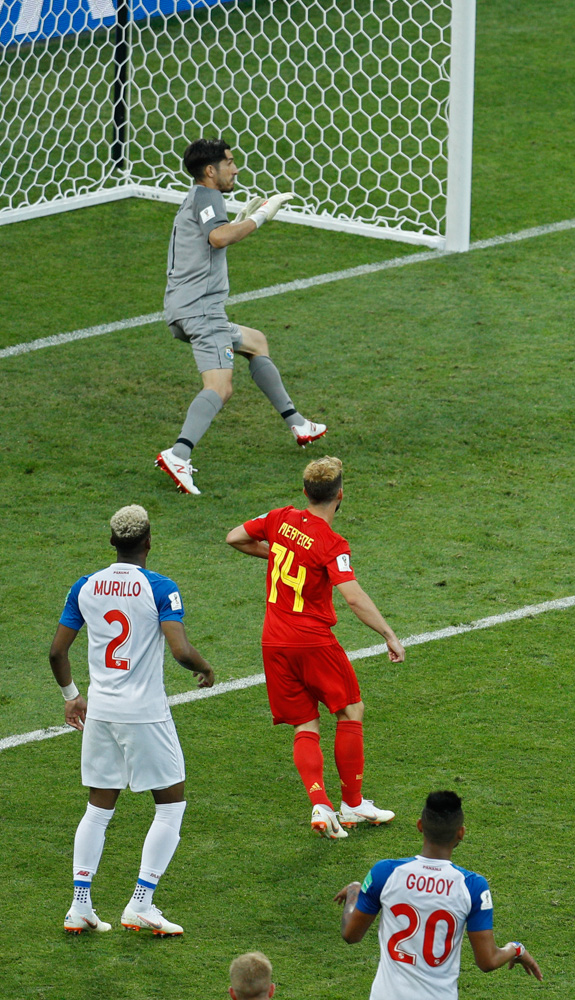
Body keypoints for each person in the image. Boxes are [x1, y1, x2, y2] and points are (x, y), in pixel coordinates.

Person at [49, 505, 215, 936]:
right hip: (144, 715)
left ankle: (79, 906)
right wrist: (205, 667)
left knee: (98, 809)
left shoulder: (84, 587)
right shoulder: (160, 587)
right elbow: (179, 650)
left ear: (112, 542)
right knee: (171, 805)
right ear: (148, 542)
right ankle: (141, 902)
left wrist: (71, 697)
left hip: (100, 712)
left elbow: (57, 652)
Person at [226, 456, 404, 839]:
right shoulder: (331, 543)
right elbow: (353, 598)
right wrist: (388, 633)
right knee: (350, 709)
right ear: (340, 495)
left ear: (306, 492)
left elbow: (235, 536)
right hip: (312, 641)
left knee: (305, 723)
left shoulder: (279, 517)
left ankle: (320, 804)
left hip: (273, 641)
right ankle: (353, 805)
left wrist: (273, 552)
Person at [155, 137, 321, 496]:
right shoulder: (208, 196)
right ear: (210, 170)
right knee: (220, 387)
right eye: (229, 162)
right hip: (201, 310)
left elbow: (211, 237)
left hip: (187, 306)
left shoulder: (200, 199)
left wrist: (240, 220)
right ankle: (179, 453)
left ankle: (299, 424)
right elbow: (217, 238)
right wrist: (261, 217)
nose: (236, 168)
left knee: (256, 342)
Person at [335, 791, 543, 997]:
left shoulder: (385, 873)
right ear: (461, 833)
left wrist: (355, 891)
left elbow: (351, 935)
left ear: (420, 826)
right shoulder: (473, 886)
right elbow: (487, 961)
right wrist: (516, 949)